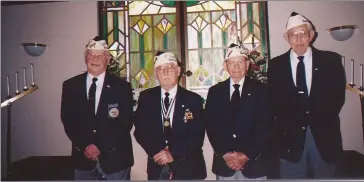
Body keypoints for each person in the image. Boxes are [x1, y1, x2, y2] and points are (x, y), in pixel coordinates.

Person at [267, 12, 346, 179]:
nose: (298, 38)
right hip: (289, 140)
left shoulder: (331, 61)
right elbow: (273, 102)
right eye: (293, 35)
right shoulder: (275, 65)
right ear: (287, 38)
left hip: (324, 137)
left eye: (303, 33)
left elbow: (337, 98)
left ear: (311, 35)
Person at [60, 36, 134, 180]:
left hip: (116, 160)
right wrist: (85, 145)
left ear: (107, 59)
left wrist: (100, 146)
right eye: (91, 54)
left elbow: (125, 122)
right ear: (85, 57)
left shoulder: (122, 87)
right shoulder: (70, 86)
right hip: (82, 159)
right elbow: (68, 120)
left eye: (100, 55)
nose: (95, 58)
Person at [133, 51, 207, 180]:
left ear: (178, 71)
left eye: (170, 68)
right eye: (161, 69)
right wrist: (157, 153)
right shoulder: (146, 98)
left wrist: (173, 154)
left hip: (189, 167)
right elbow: (140, 131)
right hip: (157, 166)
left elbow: (197, 135)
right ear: (156, 74)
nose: (165, 72)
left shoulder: (193, 99)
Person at [204, 43, 272, 180]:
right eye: (232, 63)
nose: (236, 67)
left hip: (255, 163)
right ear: (225, 66)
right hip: (225, 164)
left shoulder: (261, 90)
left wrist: (246, 154)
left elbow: (265, 125)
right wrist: (226, 154)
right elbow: (211, 127)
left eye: (240, 62)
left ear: (247, 65)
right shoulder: (215, 92)